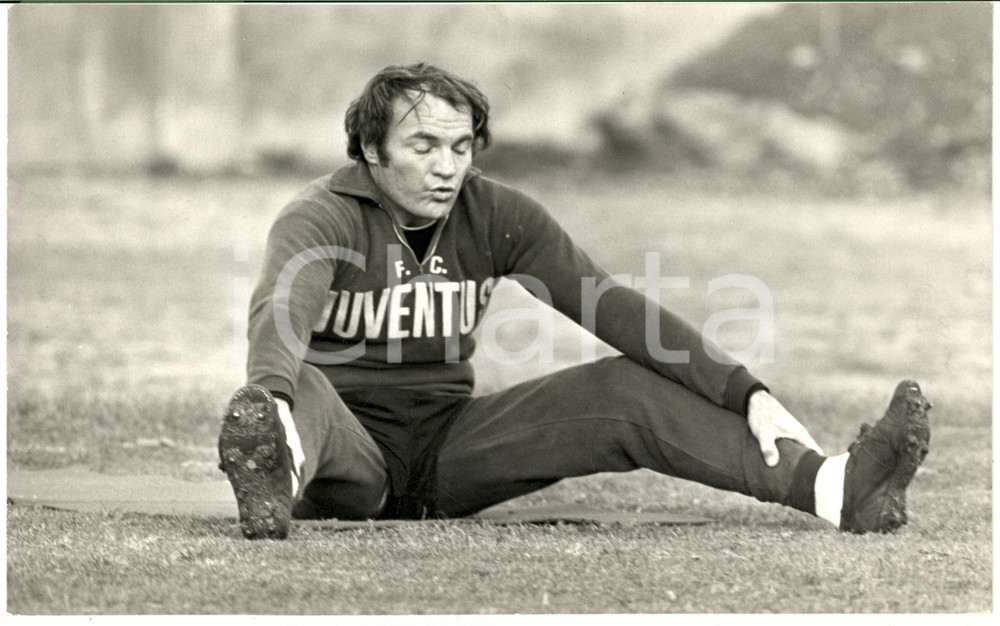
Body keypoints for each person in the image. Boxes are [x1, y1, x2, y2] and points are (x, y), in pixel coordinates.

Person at [218, 63, 931, 540]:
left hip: (448, 450)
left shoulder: (496, 214)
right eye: (424, 146)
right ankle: (277, 471)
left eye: (461, 147)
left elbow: (609, 306)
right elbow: (281, 310)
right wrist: (273, 399)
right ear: (372, 150)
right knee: (294, 383)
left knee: (624, 388)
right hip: (347, 455)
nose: (447, 166)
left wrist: (747, 391)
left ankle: (837, 489)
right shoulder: (321, 216)